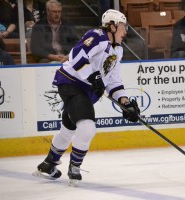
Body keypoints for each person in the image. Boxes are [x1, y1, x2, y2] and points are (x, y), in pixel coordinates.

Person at [33, 9, 140, 186]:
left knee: (69, 128)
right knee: (87, 126)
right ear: (112, 26)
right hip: (71, 84)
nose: (125, 30)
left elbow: (113, 80)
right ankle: (74, 167)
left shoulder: (118, 50)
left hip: (87, 91)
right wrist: (93, 76)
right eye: (123, 26)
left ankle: (48, 163)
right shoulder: (97, 35)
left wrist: (124, 102)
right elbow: (76, 56)